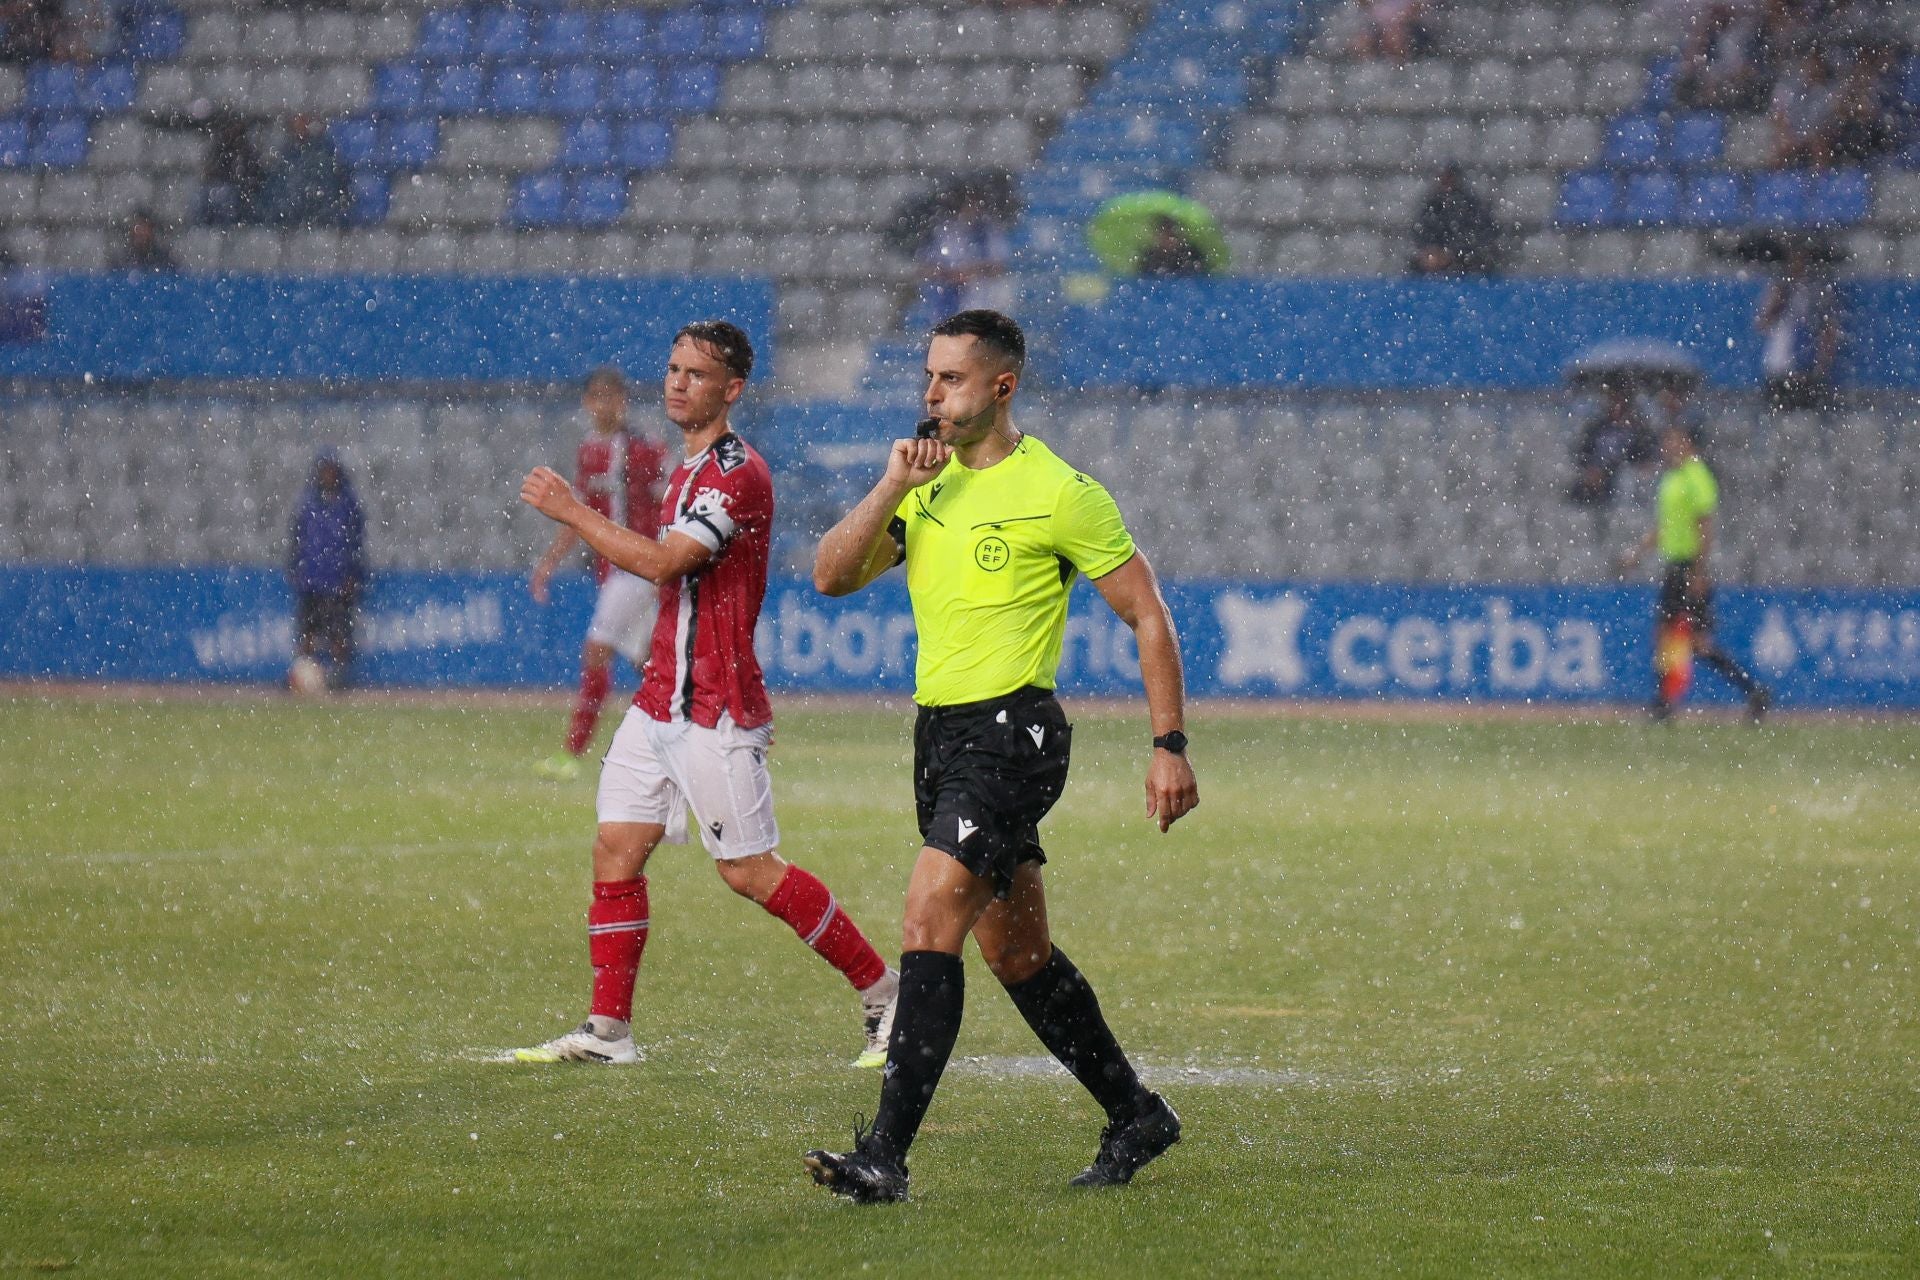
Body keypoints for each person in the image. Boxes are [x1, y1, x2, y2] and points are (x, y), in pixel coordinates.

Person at [801, 309, 1201, 1203]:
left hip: (1012, 733)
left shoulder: (1060, 490)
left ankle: (885, 1157)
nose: (932, 395)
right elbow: (828, 576)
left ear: (1001, 386)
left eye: (950, 379)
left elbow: (1147, 612)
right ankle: (1135, 1113)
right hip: (939, 736)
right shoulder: (924, 482)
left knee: (925, 920)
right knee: (1018, 954)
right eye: (928, 378)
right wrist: (889, 485)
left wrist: (1168, 745)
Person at [512, 320, 900, 1069]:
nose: (678, 383)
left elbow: (666, 565)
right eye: (673, 369)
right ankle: (609, 1033)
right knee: (617, 850)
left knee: (748, 870)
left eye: (696, 373)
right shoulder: (686, 469)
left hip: (714, 707)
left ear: (733, 388)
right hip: (659, 698)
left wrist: (571, 510)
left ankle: (885, 992)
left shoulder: (735, 471)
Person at [530, 367, 669, 780]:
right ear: (587, 403)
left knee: (596, 650)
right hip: (615, 571)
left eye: (611, 396)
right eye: (596, 397)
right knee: (648, 663)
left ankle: (572, 754)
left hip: (638, 568)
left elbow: (670, 500)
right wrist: (549, 562)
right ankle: (691, 734)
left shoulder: (643, 448)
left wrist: (671, 558)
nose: (603, 404)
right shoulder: (590, 448)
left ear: (623, 401)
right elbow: (580, 514)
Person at [1618, 423, 1771, 722]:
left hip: (1688, 566)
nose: (1668, 446)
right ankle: (1667, 701)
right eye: (1667, 441)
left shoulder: (1697, 477)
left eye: (1674, 439)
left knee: (1693, 641)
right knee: (1675, 637)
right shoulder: (1672, 478)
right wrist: (1637, 552)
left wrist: (1699, 571)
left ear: (1688, 443)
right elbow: (1666, 526)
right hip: (1675, 566)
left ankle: (1748, 691)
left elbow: (1705, 526)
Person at [286, 447, 366, 690]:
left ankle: (338, 679)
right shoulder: (307, 505)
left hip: (337, 581)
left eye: (332, 471)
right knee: (307, 633)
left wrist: (354, 575)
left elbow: (356, 543)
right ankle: (303, 676)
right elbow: (298, 540)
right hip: (312, 580)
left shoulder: (348, 506)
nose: (328, 476)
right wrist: (295, 567)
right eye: (324, 471)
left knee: (338, 634)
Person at [1755, 242, 1842, 411]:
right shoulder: (1778, 289)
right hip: (1779, 368)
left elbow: (1828, 329)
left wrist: (1821, 367)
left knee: (1807, 420)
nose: (1798, 266)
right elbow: (1763, 324)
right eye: (1794, 261)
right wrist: (1780, 300)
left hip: (1807, 370)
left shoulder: (1818, 292)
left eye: (1802, 261)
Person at [1568, 381, 1655, 507]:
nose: (1616, 405)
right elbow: (1583, 453)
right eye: (1613, 400)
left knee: (1625, 481)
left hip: (1623, 481)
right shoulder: (1596, 427)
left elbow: (1643, 459)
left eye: (1620, 400)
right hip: (1596, 481)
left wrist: (1608, 471)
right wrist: (1591, 471)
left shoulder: (1639, 429)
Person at [1408, 163, 1500, 276]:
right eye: (1442, 178)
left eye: (1448, 177)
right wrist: (1430, 253)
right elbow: (1420, 236)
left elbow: (1480, 240)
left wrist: (1451, 254)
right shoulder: (1431, 207)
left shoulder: (1471, 207)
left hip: (1466, 270)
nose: (1445, 182)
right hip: (1434, 271)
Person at [1136, 214, 1209, 277]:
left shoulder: (1191, 254)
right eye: (1164, 235)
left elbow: (1201, 276)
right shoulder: (1149, 257)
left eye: (1171, 234)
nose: (1168, 239)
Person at [110, 207, 177, 272]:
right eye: (137, 227)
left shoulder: (163, 260)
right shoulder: (121, 260)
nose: (140, 232)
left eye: (143, 226)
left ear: (150, 229)